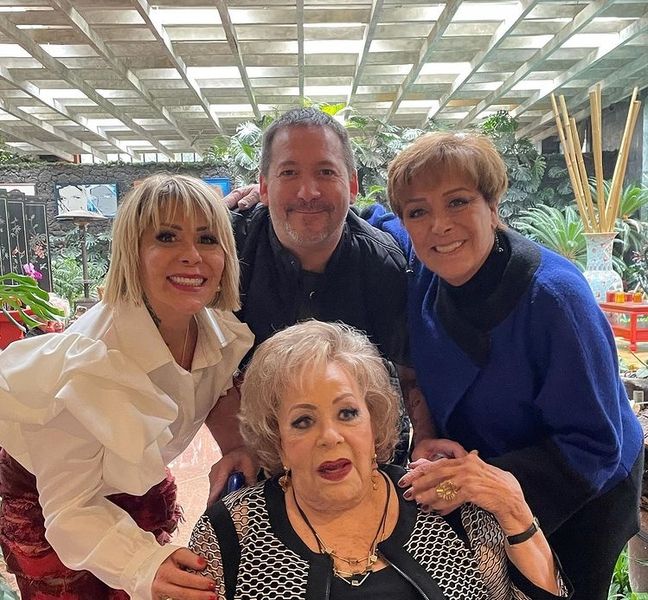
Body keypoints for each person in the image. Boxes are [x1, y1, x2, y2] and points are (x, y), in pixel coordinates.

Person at [386, 131, 643, 600]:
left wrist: (478, 481)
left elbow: (595, 445)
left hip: (578, 486)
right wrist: (425, 435)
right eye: (418, 211)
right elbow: (366, 216)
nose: (439, 225)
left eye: (458, 201)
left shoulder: (554, 298)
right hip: (478, 474)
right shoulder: (424, 271)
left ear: (493, 205)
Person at [0, 174, 255, 600]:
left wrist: (236, 445)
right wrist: (143, 564)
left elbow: (211, 385)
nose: (192, 255)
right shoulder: (92, 360)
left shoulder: (214, 327)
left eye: (207, 239)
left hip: (130, 478)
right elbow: (70, 511)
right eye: (167, 237)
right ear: (132, 253)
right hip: (53, 501)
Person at [189, 320, 570, 599]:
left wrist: (514, 509)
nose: (330, 436)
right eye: (303, 421)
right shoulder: (232, 532)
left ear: (374, 423)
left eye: (347, 413)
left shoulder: (444, 504)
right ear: (279, 440)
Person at [212, 108, 441, 499]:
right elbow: (207, 365)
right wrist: (235, 444)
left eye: (325, 172)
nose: (308, 192)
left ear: (352, 184)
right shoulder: (225, 251)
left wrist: (425, 440)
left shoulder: (383, 264)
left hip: (356, 453)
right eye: (289, 173)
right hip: (261, 449)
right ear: (263, 186)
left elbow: (408, 376)